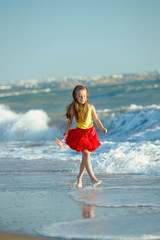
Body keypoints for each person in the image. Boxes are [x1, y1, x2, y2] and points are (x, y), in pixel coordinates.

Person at [63, 85, 107, 188]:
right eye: (79, 96)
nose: (82, 98)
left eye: (84, 96)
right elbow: (70, 122)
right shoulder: (74, 108)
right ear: (75, 97)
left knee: (85, 157)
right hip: (80, 135)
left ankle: (79, 178)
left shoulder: (91, 107)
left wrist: (102, 128)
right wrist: (66, 133)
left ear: (87, 96)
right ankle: (92, 178)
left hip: (90, 134)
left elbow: (96, 119)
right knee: (86, 155)